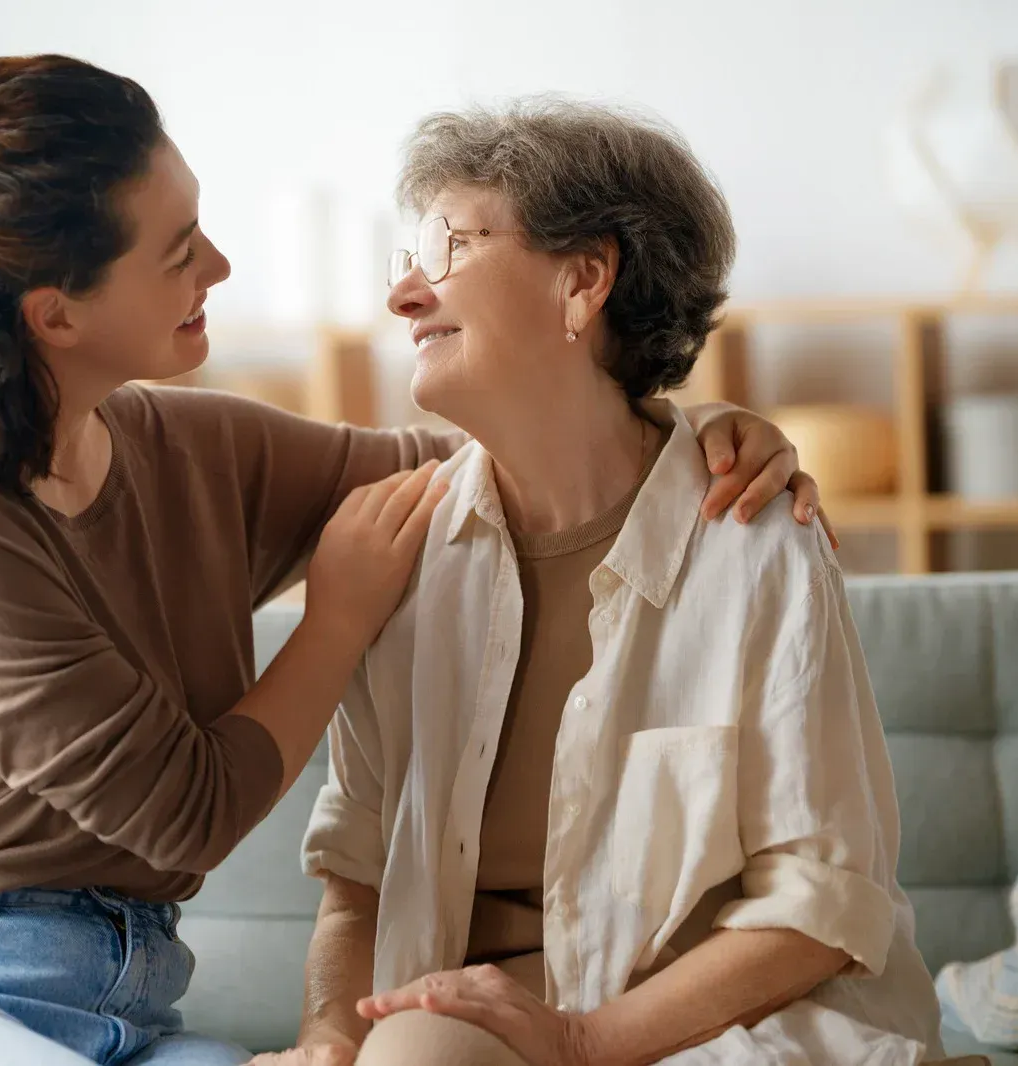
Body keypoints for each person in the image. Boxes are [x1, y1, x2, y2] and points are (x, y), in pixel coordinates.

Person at [0, 57, 830, 1066]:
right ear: (56, 314)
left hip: (123, 1005)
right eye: (179, 252)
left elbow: (500, 467)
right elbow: (185, 809)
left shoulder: (189, 447)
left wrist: (699, 434)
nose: (218, 267)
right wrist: (335, 622)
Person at [278, 98, 945, 1066]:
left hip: (720, 1023)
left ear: (584, 280)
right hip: (467, 1025)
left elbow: (818, 905)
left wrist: (583, 1040)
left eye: (447, 247)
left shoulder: (756, 538)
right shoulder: (401, 554)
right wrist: (325, 1038)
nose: (404, 296)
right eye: (406, 259)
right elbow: (356, 880)